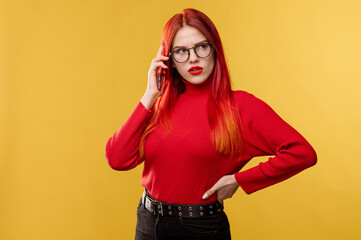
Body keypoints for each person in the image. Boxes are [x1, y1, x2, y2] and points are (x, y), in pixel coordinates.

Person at [105, 8, 317, 240]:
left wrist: (239, 180)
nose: (193, 58)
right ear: (170, 61)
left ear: (215, 50)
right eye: (181, 51)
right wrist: (149, 95)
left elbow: (302, 153)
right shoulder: (157, 105)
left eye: (201, 47)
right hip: (148, 223)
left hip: (199, 228)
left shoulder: (240, 107)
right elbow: (117, 159)